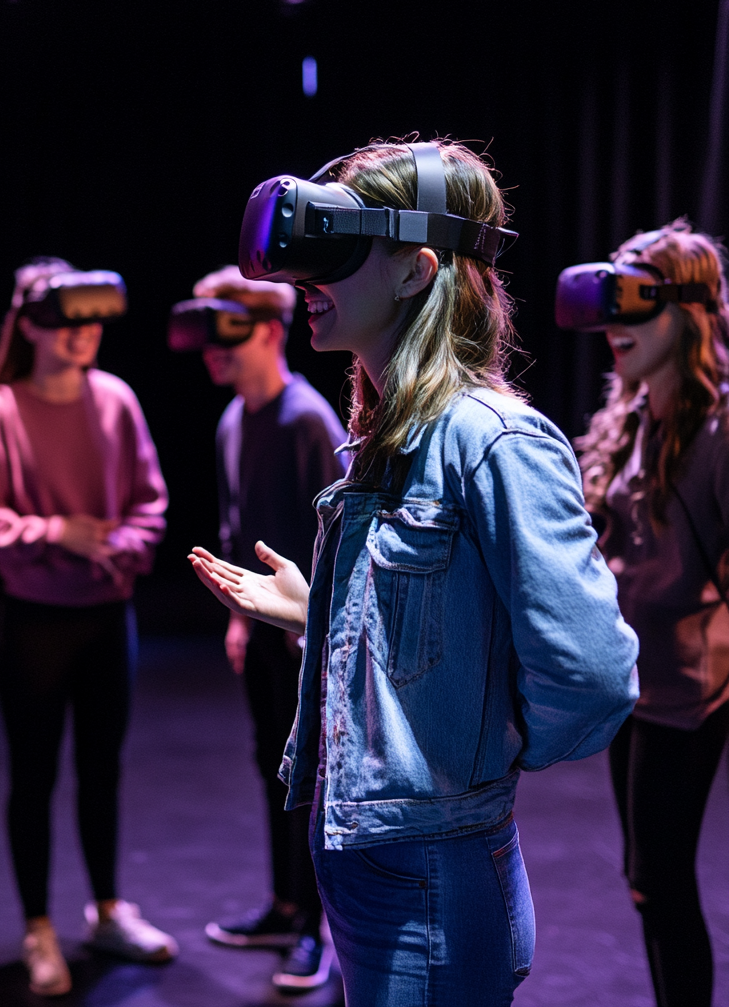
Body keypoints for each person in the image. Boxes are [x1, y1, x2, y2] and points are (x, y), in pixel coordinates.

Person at [189, 139, 640, 1006]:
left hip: (433, 873)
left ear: (413, 270)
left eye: (338, 247)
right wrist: (317, 608)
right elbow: (431, 625)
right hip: (374, 860)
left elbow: (592, 674)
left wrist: (482, 758)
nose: (304, 279)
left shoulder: (492, 439)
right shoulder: (388, 437)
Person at [0, 257, 175, 998]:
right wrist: (56, 531)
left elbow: (150, 503)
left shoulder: (114, 400)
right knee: (35, 773)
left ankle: (108, 908)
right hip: (36, 620)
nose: (82, 336)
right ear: (33, 324)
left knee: (102, 768)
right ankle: (38, 926)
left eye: (90, 321)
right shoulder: (0, 411)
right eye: (66, 320)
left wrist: (118, 546)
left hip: (107, 616)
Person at [575, 221, 729, 1007]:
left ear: (689, 311)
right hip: (630, 690)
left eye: (633, 302)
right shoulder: (629, 420)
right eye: (609, 303)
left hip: (686, 699)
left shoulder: (720, 432)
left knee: (660, 884)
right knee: (647, 884)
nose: (613, 326)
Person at [184, 266, 347, 990]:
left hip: (307, 635)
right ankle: (285, 906)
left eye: (232, 332)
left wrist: (312, 624)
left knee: (310, 776)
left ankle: (314, 927)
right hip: (263, 634)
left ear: (272, 331)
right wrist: (240, 620)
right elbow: (234, 524)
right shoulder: (232, 420)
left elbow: (336, 529)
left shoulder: (307, 417)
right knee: (271, 767)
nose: (216, 351)